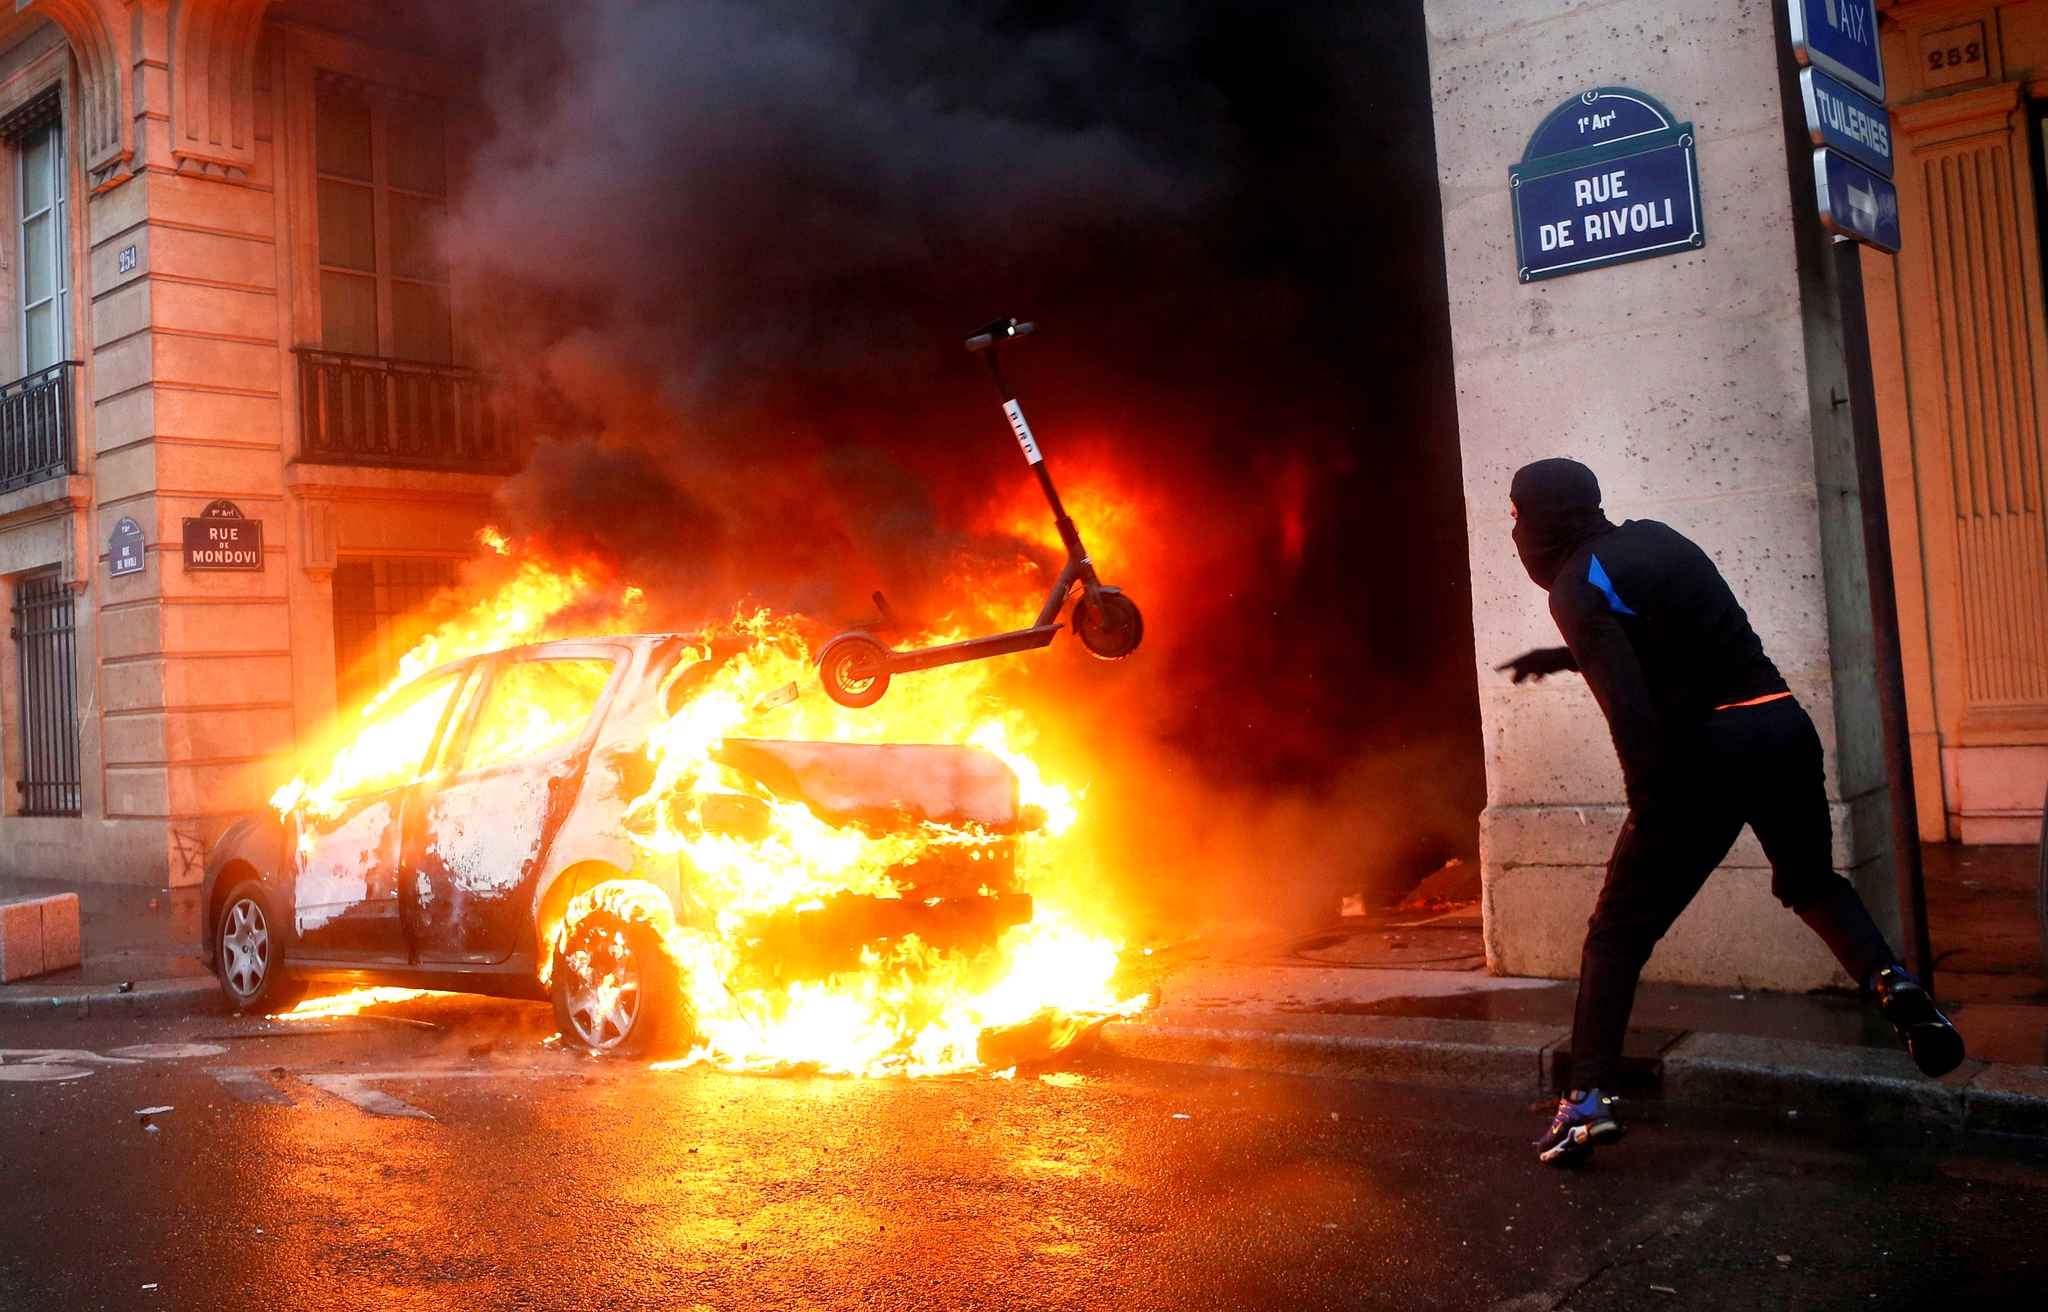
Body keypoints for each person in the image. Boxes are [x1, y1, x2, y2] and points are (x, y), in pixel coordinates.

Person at [1496, 458, 1963, 1167]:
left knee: (1617, 933)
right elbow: (1671, 631)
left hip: (1706, 754)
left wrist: (1651, 803)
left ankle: (1585, 1104)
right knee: (1809, 881)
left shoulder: (1572, 584)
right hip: (1780, 726)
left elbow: (1631, 712)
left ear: (1542, 517)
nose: (1514, 529)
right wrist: (1564, 656)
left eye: (1516, 514)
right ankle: (1890, 982)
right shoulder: (1659, 537)